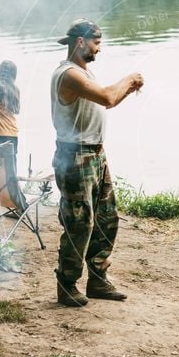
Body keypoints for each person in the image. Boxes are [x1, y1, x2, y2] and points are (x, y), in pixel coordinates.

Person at [51, 18, 144, 307]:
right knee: (80, 224)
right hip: (75, 157)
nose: (99, 48)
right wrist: (129, 79)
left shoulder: (83, 71)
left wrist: (127, 89)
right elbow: (106, 97)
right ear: (81, 42)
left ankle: (98, 279)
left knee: (106, 219)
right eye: (96, 42)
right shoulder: (68, 74)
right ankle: (67, 285)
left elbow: (107, 100)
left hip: (95, 155)